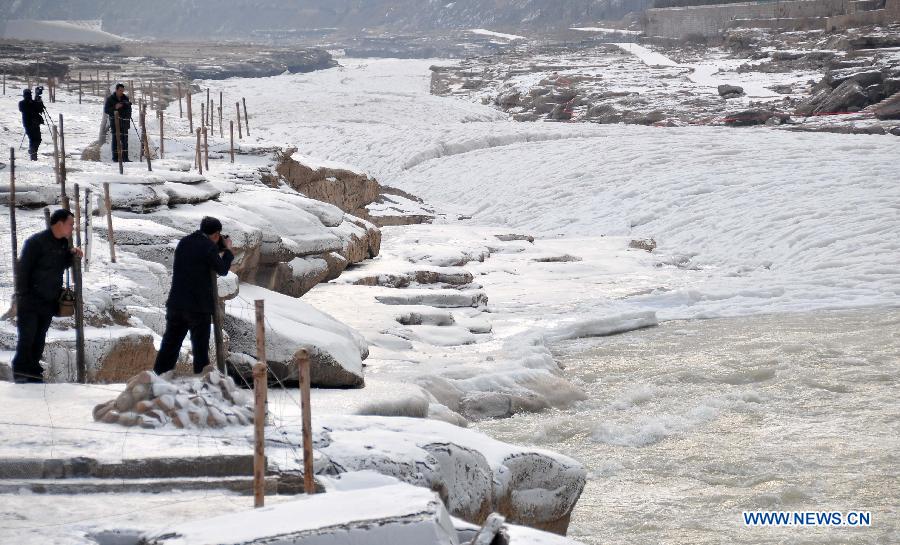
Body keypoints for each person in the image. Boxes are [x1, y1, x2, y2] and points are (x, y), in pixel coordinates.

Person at [153, 217, 234, 376]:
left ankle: (158, 379)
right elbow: (222, 270)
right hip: (198, 308)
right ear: (217, 234)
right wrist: (228, 252)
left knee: (170, 346)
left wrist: (216, 247)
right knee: (200, 350)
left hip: (176, 304)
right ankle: (202, 383)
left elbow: (197, 257)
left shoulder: (184, 242)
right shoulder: (209, 248)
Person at [13, 209, 83, 383]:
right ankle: (22, 373)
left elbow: (60, 263)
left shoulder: (62, 244)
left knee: (39, 338)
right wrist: (24, 297)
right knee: (27, 337)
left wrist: (73, 255)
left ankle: (34, 371)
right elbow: (23, 272)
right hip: (30, 301)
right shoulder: (35, 243)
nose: (72, 228)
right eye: (70, 224)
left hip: (48, 301)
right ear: (59, 224)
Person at [103, 83, 132, 162]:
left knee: (125, 140)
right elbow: (106, 110)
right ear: (116, 90)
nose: (121, 92)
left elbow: (129, 110)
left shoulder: (125, 98)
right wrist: (115, 107)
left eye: (123, 91)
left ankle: (125, 158)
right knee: (115, 139)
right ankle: (115, 158)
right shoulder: (110, 99)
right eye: (120, 90)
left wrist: (126, 116)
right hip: (114, 121)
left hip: (124, 121)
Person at [18, 88, 44, 161]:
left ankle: (33, 154)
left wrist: (37, 101)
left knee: (33, 139)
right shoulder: (29, 103)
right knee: (37, 139)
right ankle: (33, 152)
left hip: (27, 124)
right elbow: (40, 109)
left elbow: (40, 109)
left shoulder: (22, 103)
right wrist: (38, 101)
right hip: (33, 124)